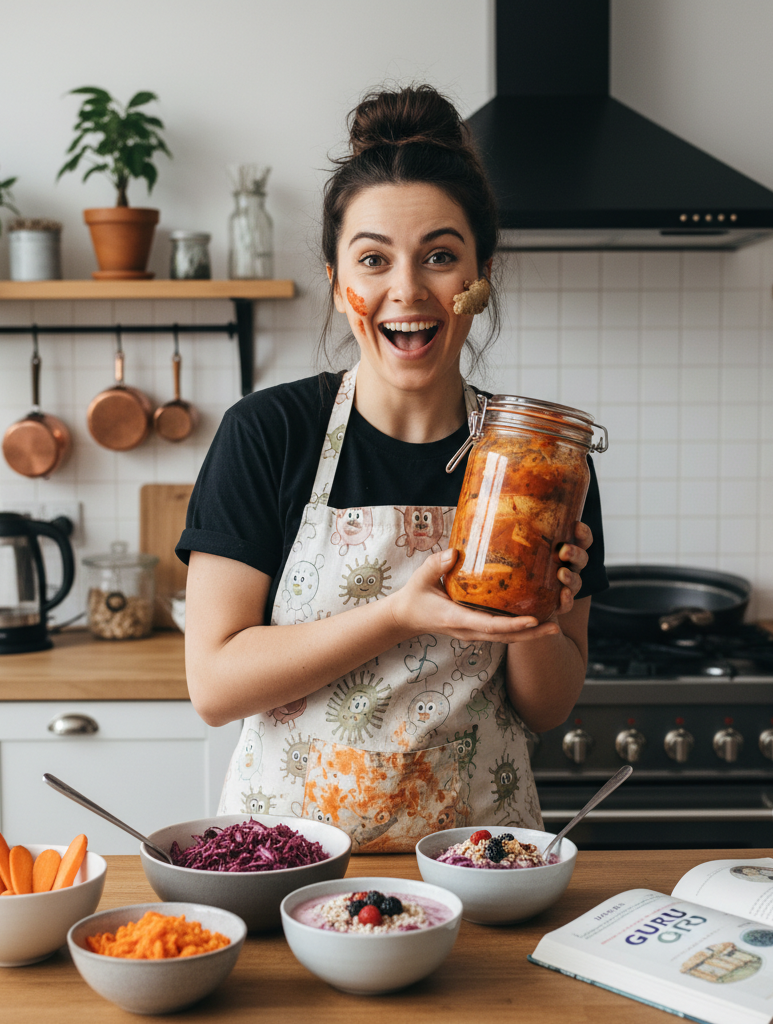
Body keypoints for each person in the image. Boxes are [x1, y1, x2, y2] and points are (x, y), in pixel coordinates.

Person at [178, 84, 608, 852]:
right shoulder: (269, 434)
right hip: (291, 867)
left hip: (479, 869)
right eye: (373, 259)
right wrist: (398, 615)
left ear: (480, 276)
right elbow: (214, 686)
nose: (406, 290)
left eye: (440, 257)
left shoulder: (538, 458)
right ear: (337, 280)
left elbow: (546, 709)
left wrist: (536, 613)